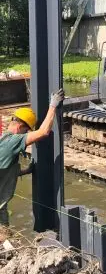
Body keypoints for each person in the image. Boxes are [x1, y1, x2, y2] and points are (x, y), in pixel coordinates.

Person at [0, 88, 65, 226]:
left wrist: (26, 171)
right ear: (19, 126)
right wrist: (53, 106)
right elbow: (43, 132)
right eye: (26, 131)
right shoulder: (13, 141)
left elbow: (4, 171)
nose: (26, 134)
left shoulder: (3, 140)